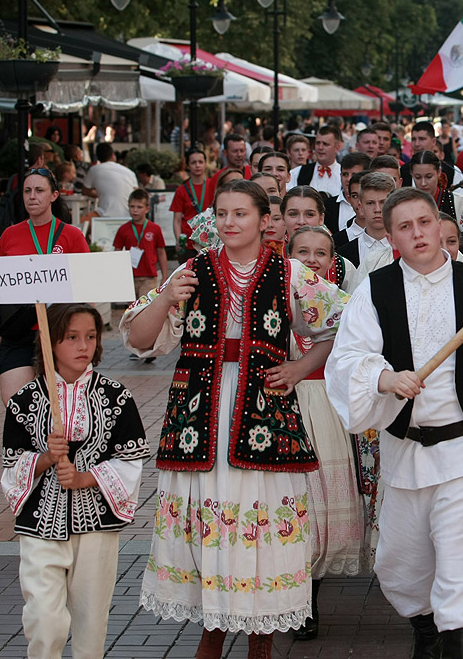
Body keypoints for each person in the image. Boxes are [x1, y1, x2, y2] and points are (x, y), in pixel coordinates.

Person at [122, 180, 349, 659]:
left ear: (265, 221)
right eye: (222, 213)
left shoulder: (290, 274)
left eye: (240, 214)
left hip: (262, 418)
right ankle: (213, 627)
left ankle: (260, 638)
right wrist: (165, 299)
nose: (229, 223)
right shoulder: (192, 270)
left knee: (259, 517)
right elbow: (141, 339)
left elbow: (344, 324)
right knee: (208, 514)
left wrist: (301, 367)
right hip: (200, 418)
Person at [326, 187, 463, 659]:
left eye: (424, 222)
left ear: (440, 226)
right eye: (405, 227)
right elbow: (346, 359)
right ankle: (426, 630)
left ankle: (455, 640)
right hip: (405, 451)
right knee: (400, 568)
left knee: (461, 572)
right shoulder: (375, 290)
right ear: (391, 236)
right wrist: (384, 379)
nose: (418, 233)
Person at [1, 302, 149, 659]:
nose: (83, 346)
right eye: (71, 337)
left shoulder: (117, 398)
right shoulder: (25, 401)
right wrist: (45, 460)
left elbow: (131, 462)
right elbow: (10, 467)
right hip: (39, 523)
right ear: (51, 343)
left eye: (90, 337)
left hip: (97, 524)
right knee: (45, 619)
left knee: (90, 626)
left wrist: (85, 477)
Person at [278, 225, 363, 640]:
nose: (312, 260)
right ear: (287, 255)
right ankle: (288, 597)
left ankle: (308, 600)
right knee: (287, 504)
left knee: (320, 507)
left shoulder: (344, 307)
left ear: (333, 262)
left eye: (322, 254)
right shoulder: (275, 299)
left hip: (323, 407)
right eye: (303, 252)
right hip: (280, 408)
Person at [0, 169, 89, 409]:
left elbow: (86, 287)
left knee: (60, 404)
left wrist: (84, 335)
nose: (32, 196)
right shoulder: (10, 235)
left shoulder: (72, 236)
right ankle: (28, 447)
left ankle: (55, 446)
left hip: (58, 332)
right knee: (16, 404)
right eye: (27, 191)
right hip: (18, 332)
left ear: (54, 195)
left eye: (39, 190)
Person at [113, 188, 169, 301]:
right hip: (129, 276)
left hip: (149, 276)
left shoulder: (155, 229)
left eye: (139, 207)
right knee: (132, 308)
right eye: (132, 207)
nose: (135, 210)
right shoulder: (123, 229)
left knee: (145, 306)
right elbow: (117, 251)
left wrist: (165, 276)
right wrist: (118, 274)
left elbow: (161, 252)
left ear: (147, 209)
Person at [338, 172, 395, 279]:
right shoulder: (343, 253)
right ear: (360, 207)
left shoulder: (405, 249)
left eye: (383, 202)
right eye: (370, 203)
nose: (377, 209)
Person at [170, 148, 212, 256]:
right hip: (189, 241)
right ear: (188, 166)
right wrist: (178, 239)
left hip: (210, 239)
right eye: (193, 162)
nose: (197, 165)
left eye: (200, 162)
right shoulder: (181, 190)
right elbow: (177, 219)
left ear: (205, 164)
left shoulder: (213, 186)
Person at [82, 143, 138, 218]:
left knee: (79, 222)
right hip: (129, 215)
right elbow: (137, 194)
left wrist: (101, 193)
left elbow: (85, 191)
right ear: (113, 155)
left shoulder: (94, 170)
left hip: (105, 215)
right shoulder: (129, 172)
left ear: (98, 158)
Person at [289, 125, 341, 197]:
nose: (320, 147)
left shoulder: (343, 174)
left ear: (337, 148)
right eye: (318, 143)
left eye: (325, 144)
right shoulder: (297, 173)